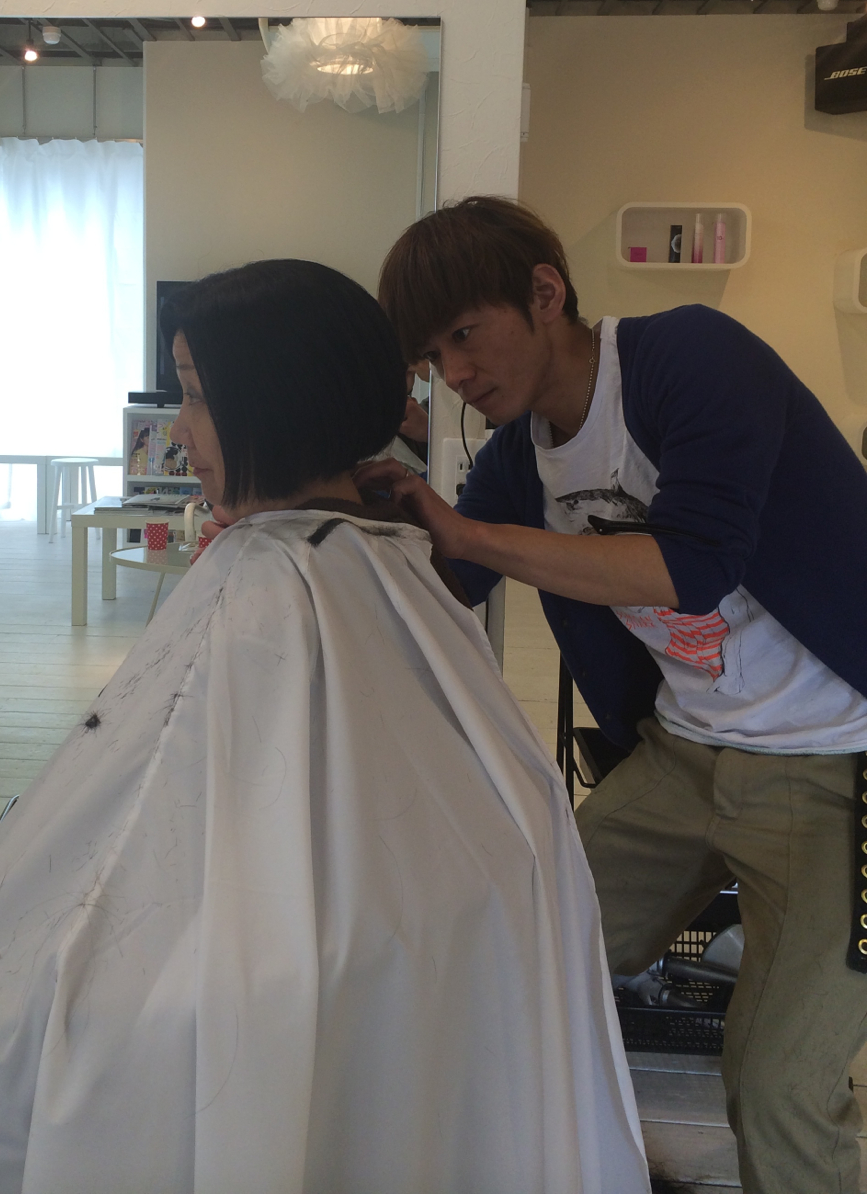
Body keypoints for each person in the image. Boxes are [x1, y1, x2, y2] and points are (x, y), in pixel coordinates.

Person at [0, 259, 649, 1194]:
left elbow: (126, 863)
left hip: (277, 983)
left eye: (196, 395)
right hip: (408, 973)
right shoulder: (384, 560)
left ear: (273, 404)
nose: (175, 431)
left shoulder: (269, 587)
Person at [366, 196, 867, 1194]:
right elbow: (444, 583)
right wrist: (325, 509)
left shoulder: (690, 356)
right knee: (521, 964)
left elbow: (693, 564)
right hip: (683, 758)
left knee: (781, 1089)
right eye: (432, 355)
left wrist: (471, 534)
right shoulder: (518, 459)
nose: (453, 373)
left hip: (840, 769)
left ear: (545, 292)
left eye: (465, 334)